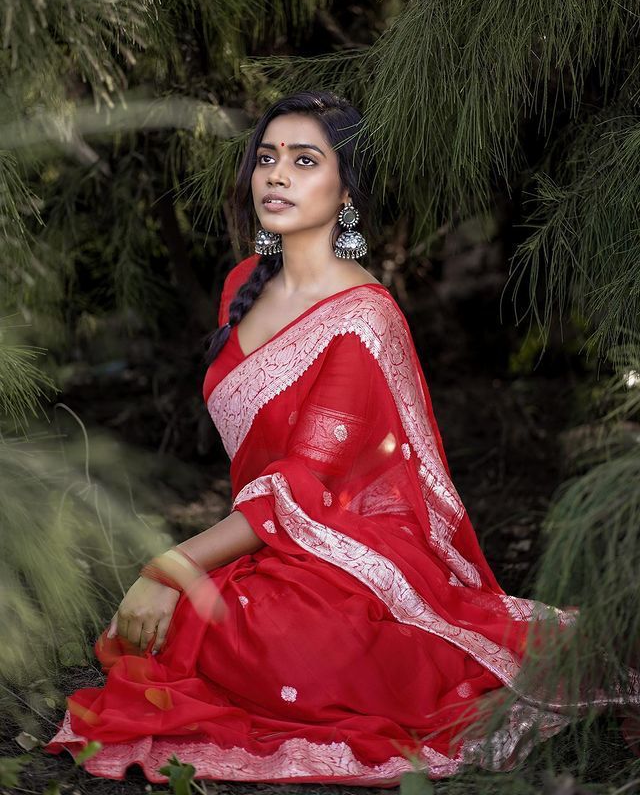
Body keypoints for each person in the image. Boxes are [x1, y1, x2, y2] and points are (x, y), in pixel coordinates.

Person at [44, 90, 640, 786]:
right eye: (268, 159)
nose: (277, 176)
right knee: (190, 633)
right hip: (268, 545)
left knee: (249, 637)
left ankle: (577, 655)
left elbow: (300, 485)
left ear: (345, 189)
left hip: (345, 554)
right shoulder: (244, 284)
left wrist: (166, 567)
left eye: (304, 160)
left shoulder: (364, 317)